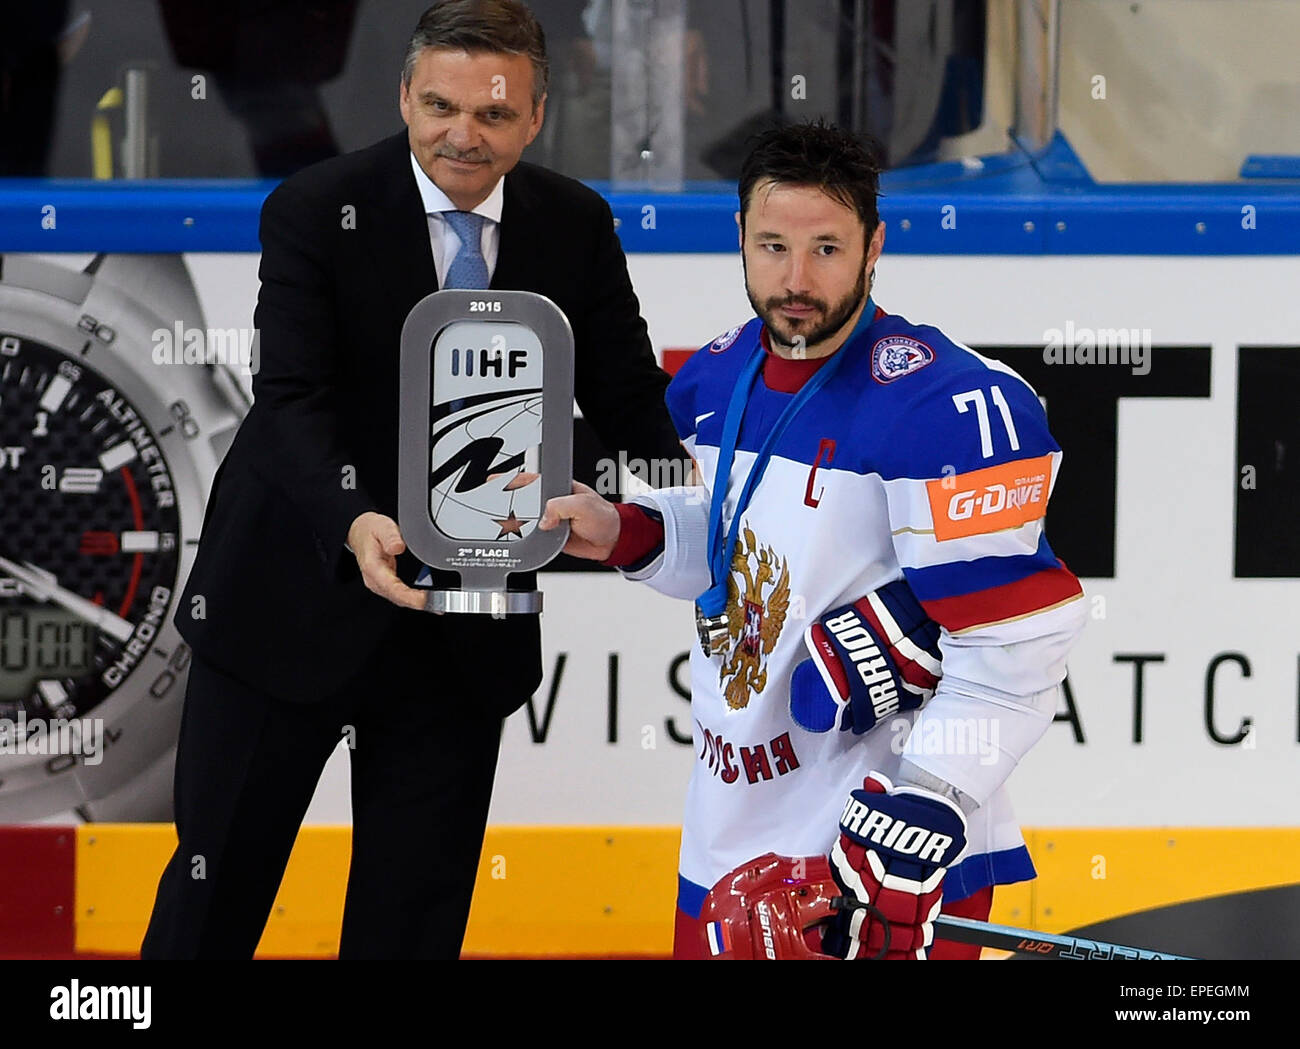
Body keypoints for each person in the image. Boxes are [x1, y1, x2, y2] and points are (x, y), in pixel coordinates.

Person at [141, 0, 685, 960]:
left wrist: (696, 485)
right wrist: (355, 520)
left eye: (493, 115)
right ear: (402, 96)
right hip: (289, 602)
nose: (461, 137)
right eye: (439, 106)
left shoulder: (575, 222)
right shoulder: (315, 207)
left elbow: (632, 403)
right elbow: (292, 400)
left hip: (459, 635)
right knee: (210, 901)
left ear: (536, 115)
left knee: (411, 927)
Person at [540, 120, 1087, 960]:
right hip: (728, 826)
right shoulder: (719, 377)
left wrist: (930, 802)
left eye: (827, 247)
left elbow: (1015, 647)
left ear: (875, 244)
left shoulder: (947, 407)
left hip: (877, 859)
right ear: (741, 238)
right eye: (773, 245)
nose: (796, 280)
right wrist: (630, 531)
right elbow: (742, 555)